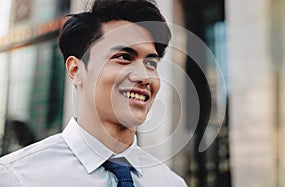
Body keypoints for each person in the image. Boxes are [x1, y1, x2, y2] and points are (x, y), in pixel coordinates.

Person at [0, 0, 187, 186]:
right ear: (76, 70)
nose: (144, 77)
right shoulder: (16, 178)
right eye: (124, 57)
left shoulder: (171, 183)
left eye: (151, 64)